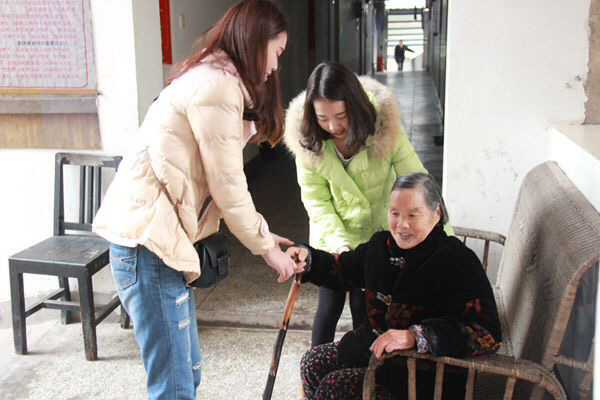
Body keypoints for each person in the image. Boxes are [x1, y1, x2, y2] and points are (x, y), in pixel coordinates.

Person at [92, 1, 296, 398]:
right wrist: (267, 249)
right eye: (277, 52)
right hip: (149, 246)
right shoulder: (217, 87)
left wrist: (264, 234)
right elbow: (228, 185)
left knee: (186, 376)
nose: (275, 66)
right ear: (256, 42)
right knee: (175, 387)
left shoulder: (214, 78)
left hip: (160, 244)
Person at [287, 173, 502, 399]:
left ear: (436, 213)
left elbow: (486, 332)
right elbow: (343, 269)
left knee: (335, 387)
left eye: (413, 215)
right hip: (374, 350)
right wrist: (309, 260)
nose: (402, 224)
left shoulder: (457, 260)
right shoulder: (381, 246)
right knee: (312, 364)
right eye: (395, 213)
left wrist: (417, 336)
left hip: (423, 374)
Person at [283, 62, 428, 349]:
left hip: (375, 233)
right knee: (329, 306)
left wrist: (441, 239)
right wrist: (340, 247)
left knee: (366, 310)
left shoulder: (385, 129)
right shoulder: (308, 142)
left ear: (355, 105)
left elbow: (418, 183)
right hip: (331, 233)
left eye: (341, 115)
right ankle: (316, 366)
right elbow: (317, 202)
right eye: (322, 118)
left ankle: (364, 370)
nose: (333, 126)